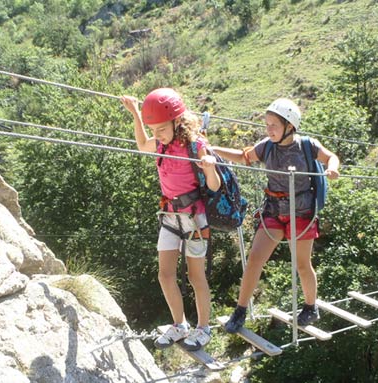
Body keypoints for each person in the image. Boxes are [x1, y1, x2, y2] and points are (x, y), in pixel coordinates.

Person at [211, 98, 340, 332]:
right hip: (274, 210)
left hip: (301, 213)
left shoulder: (307, 146)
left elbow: (331, 157)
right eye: (267, 124)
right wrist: (213, 150)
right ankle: (240, 311)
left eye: (274, 125)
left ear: (289, 126)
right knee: (254, 262)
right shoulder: (266, 146)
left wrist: (333, 168)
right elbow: (243, 156)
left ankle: (311, 307)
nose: (268, 129)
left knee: (302, 265)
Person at [120, 88, 221, 350]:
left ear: (177, 122)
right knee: (165, 275)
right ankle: (180, 324)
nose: (157, 135)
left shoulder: (196, 146)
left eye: (161, 129)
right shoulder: (161, 143)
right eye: (154, 129)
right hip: (169, 216)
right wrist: (135, 114)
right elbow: (143, 146)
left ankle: (204, 328)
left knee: (195, 277)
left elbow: (214, 186)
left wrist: (209, 167)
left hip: (194, 219)